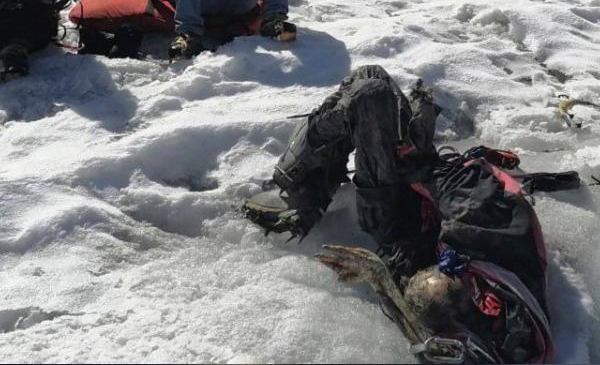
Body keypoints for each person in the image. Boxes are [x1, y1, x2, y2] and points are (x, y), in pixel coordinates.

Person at [242, 66, 576, 363]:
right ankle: (310, 183)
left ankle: (300, 190)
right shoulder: (490, 229)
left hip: (398, 229)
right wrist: (418, 162)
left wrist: (379, 275)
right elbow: (461, 186)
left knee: (370, 91)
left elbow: (420, 327)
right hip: (431, 201)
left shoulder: (452, 338)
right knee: (372, 79)